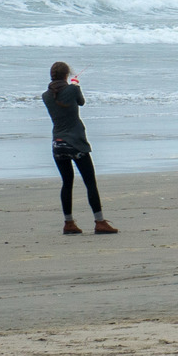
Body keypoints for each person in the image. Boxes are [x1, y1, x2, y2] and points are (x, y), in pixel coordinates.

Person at [45, 61, 117, 234]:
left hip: (57, 143)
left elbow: (60, 97)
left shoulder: (45, 95)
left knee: (67, 183)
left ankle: (68, 223)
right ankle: (99, 222)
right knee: (89, 181)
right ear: (66, 75)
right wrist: (75, 86)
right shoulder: (72, 89)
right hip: (76, 142)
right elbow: (80, 102)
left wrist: (71, 86)